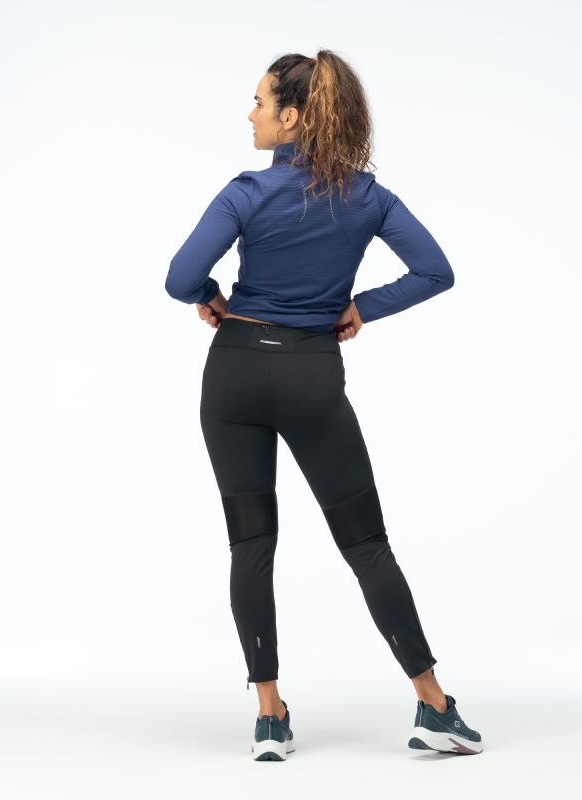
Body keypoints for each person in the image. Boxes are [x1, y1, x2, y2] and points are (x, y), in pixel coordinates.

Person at [165, 49, 483, 761]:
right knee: (365, 544)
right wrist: (361, 307)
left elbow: (181, 277)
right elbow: (435, 272)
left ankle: (270, 718)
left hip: (233, 375)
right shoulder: (369, 197)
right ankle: (434, 706)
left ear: (291, 116)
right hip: (310, 376)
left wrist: (210, 297)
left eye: (259, 102)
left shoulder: (246, 192)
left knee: (251, 544)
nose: (249, 114)